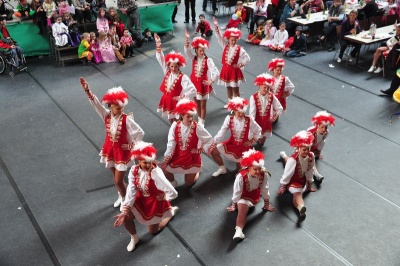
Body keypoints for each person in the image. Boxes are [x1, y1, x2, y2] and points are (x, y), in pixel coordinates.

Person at [79, 77, 145, 210]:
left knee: (118, 180)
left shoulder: (127, 120)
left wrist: (132, 145)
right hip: (109, 150)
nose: (120, 110)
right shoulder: (106, 115)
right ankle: (121, 196)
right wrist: (88, 91)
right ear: (110, 106)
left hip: (121, 152)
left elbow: (140, 133)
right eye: (117, 108)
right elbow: (96, 105)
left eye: (121, 108)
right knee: (115, 177)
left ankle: (127, 203)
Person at [114, 141, 179, 252]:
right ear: (139, 161)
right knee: (126, 217)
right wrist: (125, 210)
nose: (148, 165)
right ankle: (134, 238)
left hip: (153, 203)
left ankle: (170, 212)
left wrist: (164, 198)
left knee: (153, 231)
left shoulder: (156, 173)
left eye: (150, 162)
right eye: (145, 162)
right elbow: (131, 190)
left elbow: (173, 192)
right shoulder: (134, 170)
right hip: (140, 199)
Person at [160, 99, 214, 187]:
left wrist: (200, 149)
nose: (191, 119)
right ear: (181, 115)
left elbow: (209, 140)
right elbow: (171, 143)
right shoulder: (174, 126)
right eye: (188, 116)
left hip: (191, 157)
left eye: (192, 116)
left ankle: (197, 170)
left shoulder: (198, 127)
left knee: (188, 184)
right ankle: (173, 183)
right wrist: (168, 156)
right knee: (165, 170)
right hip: (177, 155)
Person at [226, 149, 275, 240]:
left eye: (259, 169)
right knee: (242, 210)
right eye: (255, 169)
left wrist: (266, 204)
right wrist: (234, 204)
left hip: (255, 195)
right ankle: (238, 231)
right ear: (249, 168)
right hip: (242, 196)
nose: (258, 171)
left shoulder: (264, 175)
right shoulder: (241, 176)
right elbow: (237, 192)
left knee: (248, 205)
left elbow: (265, 189)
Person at [210, 97, 262, 177]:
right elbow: (222, 131)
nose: (241, 115)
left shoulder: (249, 120)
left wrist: (252, 141)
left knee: (239, 172)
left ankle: (240, 170)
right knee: (213, 151)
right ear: (234, 111)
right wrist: (214, 141)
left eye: (243, 113)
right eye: (239, 112)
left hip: (244, 147)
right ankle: (222, 168)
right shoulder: (229, 119)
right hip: (231, 143)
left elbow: (258, 130)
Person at [155, 33, 197, 124]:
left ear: (179, 66)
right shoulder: (167, 71)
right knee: (170, 118)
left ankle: (180, 132)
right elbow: (161, 59)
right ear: (169, 66)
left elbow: (193, 90)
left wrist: (182, 97)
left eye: (175, 67)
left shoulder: (183, 77)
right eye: (171, 66)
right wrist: (158, 44)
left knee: (178, 120)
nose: (173, 69)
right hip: (167, 99)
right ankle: (173, 130)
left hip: (176, 101)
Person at [277, 130, 317, 220]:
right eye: (304, 149)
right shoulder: (293, 159)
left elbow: (310, 170)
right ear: (298, 148)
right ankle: (301, 207)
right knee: (297, 194)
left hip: (302, 179)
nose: (306, 151)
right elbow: (287, 173)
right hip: (293, 180)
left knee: (288, 161)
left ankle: (284, 155)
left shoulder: (311, 156)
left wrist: (310, 183)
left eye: (308, 149)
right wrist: (283, 185)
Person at [184, 33, 219, 125]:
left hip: (203, 84)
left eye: (203, 50)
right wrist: (187, 39)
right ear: (196, 50)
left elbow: (215, 71)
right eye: (200, 50)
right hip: (194, 83)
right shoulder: (193, 58)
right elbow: (187, 51)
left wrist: (211, 80)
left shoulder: (208, 60)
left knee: (203, 104)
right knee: (196, 103)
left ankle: (202, 122)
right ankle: (199, 118)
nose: (202, 52)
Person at [213, 18, 251, 100]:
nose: (233, 42)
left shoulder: (239, 49)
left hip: (234, 71)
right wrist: (217, 29)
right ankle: (230, 103)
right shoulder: (225, 46)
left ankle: (237, 104)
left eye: (235, 40)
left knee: (235, 89)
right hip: (226, 70)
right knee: (228, 88)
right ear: (228, 40)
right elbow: (219, 38)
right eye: (232, 40)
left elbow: (247, 58)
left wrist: (240, 64)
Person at [249, 74, 283, 147]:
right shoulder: (253, 97)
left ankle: (259, 140)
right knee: (251, 140)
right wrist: (252, 124)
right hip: (257, 121)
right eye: (264, 87)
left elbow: (279, 107)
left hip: (266, 122)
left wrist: (275, 116)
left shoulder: (271, 96)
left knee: (261, 143)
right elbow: (252, 112)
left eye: (268, 88)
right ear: (259, 86)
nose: (266, 90)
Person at [305, 111, 335, 182]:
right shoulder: (310, 132)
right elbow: (305, 145)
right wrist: (310, 153)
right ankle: (316, 174)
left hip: (313, 148)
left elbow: (322, 142)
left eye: (326, 127)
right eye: (322, 127)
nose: (324, 129)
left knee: (313, 158)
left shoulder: (326, 132)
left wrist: (318, 152)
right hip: (305, 148)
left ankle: (316, 173)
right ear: (317, 125)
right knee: (311, 159)